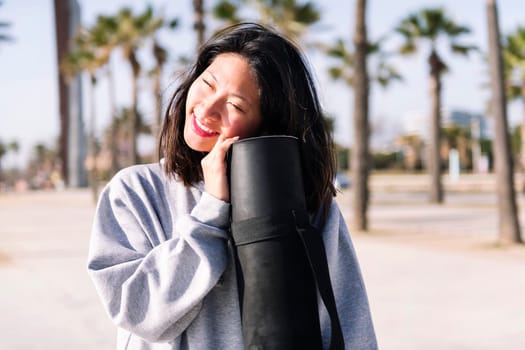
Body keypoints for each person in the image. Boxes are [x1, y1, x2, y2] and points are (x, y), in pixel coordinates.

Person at [88, 22, 377, 350]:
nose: (208, 110)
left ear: (267, 123)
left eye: (236, 106)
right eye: (208, 84)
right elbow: (140, 315)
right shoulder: (136, 191)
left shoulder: (306, 201)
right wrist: (211, 212)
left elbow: (348, 321)